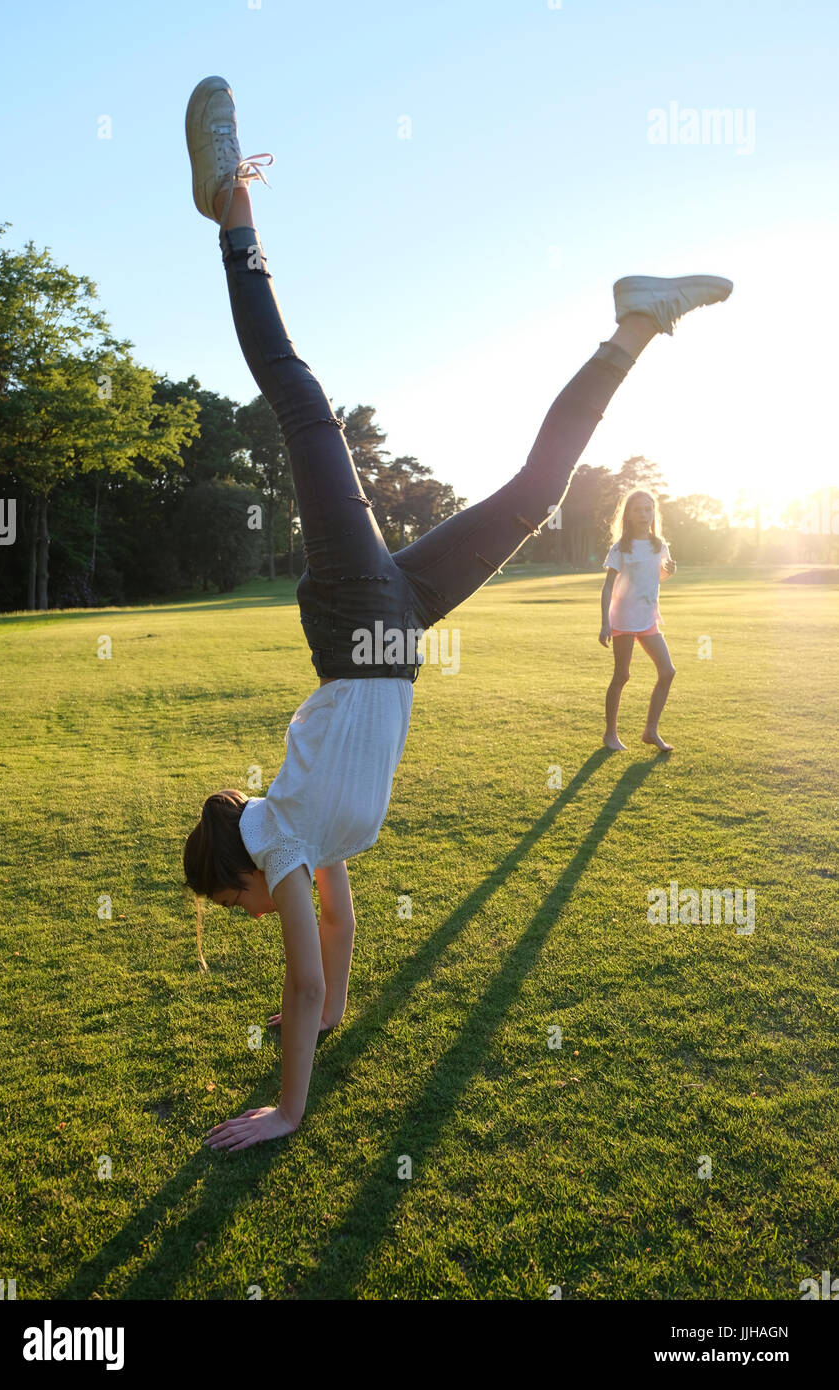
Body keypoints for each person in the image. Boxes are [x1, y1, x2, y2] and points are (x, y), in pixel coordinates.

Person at [180, 76, 733, 1149]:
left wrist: (284, 1108)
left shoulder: (277, 836)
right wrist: (337, 1014)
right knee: (532, 497)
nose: (253, 920)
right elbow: (333, 943)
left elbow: (299, 966)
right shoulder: (305, 837)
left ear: (239, 879)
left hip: (354, 622)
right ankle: (633, 325)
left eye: (233, 909)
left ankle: (231, 211)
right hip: (395, 627)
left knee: (301, 403)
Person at [599, 490, 677, 752]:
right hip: (623, 618)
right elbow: (608, 587)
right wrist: (604, 623)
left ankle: (650, 730)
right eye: (638, 510)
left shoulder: (660, 546)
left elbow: (656, 577)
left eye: (648, 509)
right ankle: (610, 734)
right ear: (628, 515)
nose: (644, 514)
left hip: (647, 617)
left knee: (667, 672)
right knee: (622, 675)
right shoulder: (620, 548)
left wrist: (668, 572)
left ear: (654, 513)